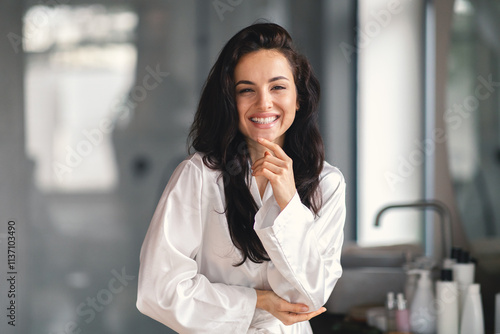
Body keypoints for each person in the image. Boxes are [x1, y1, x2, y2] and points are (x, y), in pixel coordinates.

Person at [136, 22, 346, 333]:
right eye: (246, 90)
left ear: (298, 98)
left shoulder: (327, 184)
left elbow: (308, 298)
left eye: (278, 87)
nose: (264, 103)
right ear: (230, 102)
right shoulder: (198, 176)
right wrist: (257, 302)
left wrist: (288, 202)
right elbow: (159, 291)